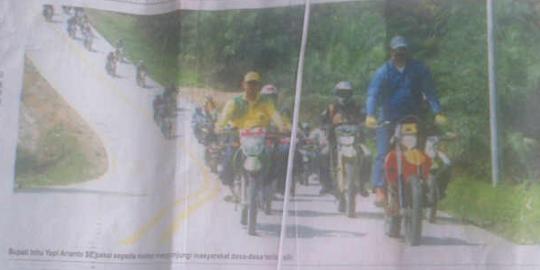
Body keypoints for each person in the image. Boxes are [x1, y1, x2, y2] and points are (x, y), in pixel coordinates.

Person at [365, 35, 447, 207]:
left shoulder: (418, 69)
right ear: (391, 52)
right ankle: (380, 188)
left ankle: (423, 185)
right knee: (382, 153)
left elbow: (430, 91)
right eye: (397, 51)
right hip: (388, 120)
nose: (400, 55)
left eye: (403, 51)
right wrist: (370, 114)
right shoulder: (383, 72)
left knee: (420, 152)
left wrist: (438, 111)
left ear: (407, 52)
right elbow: (373, 94)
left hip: (413, 119)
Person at [215, 72, 289, 191]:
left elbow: (274, 114)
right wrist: (219, 127)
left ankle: (268, 182)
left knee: (272, 156)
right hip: (238, 135)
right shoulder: (235, 102)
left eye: (255, 84)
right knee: (230, 156)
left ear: (259, 86)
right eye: (249, 84)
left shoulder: (266, 102)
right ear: (243, 85)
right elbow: (225, 116)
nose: (252, 87)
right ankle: (229, 182)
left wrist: (282, 127)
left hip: (259, 138)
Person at [320, 81, 370, 197]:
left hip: (355, 141)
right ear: (336, 93)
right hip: (335, 142)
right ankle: (326, 184)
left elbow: (365, 118)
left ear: (351, 94)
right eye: (341, 93)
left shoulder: (357, 107)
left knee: (367, 155)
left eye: (346, 93)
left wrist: (366, 124)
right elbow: (323, 121)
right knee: (323, 154)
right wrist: (326, 126)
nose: (343, 96)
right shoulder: (331, 108)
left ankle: (363, 184)